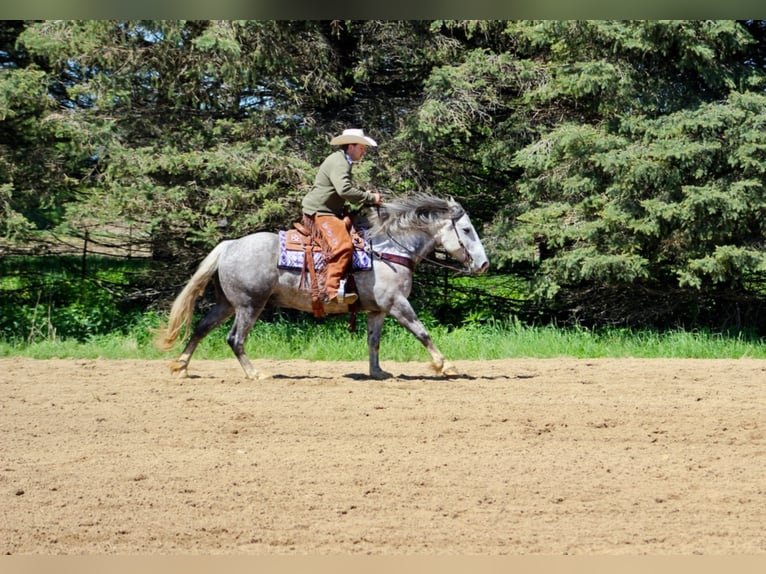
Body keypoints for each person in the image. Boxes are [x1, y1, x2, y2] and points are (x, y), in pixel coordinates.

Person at [302, 128, 382, 305]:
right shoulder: (340, 163)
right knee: (344, 246)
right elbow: (344, 190)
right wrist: (370, 197)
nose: (364, 151)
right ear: (351, 146)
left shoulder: (341, 160)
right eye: (361, 147)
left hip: (328, 210)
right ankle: (331, 291)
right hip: (320, 211)